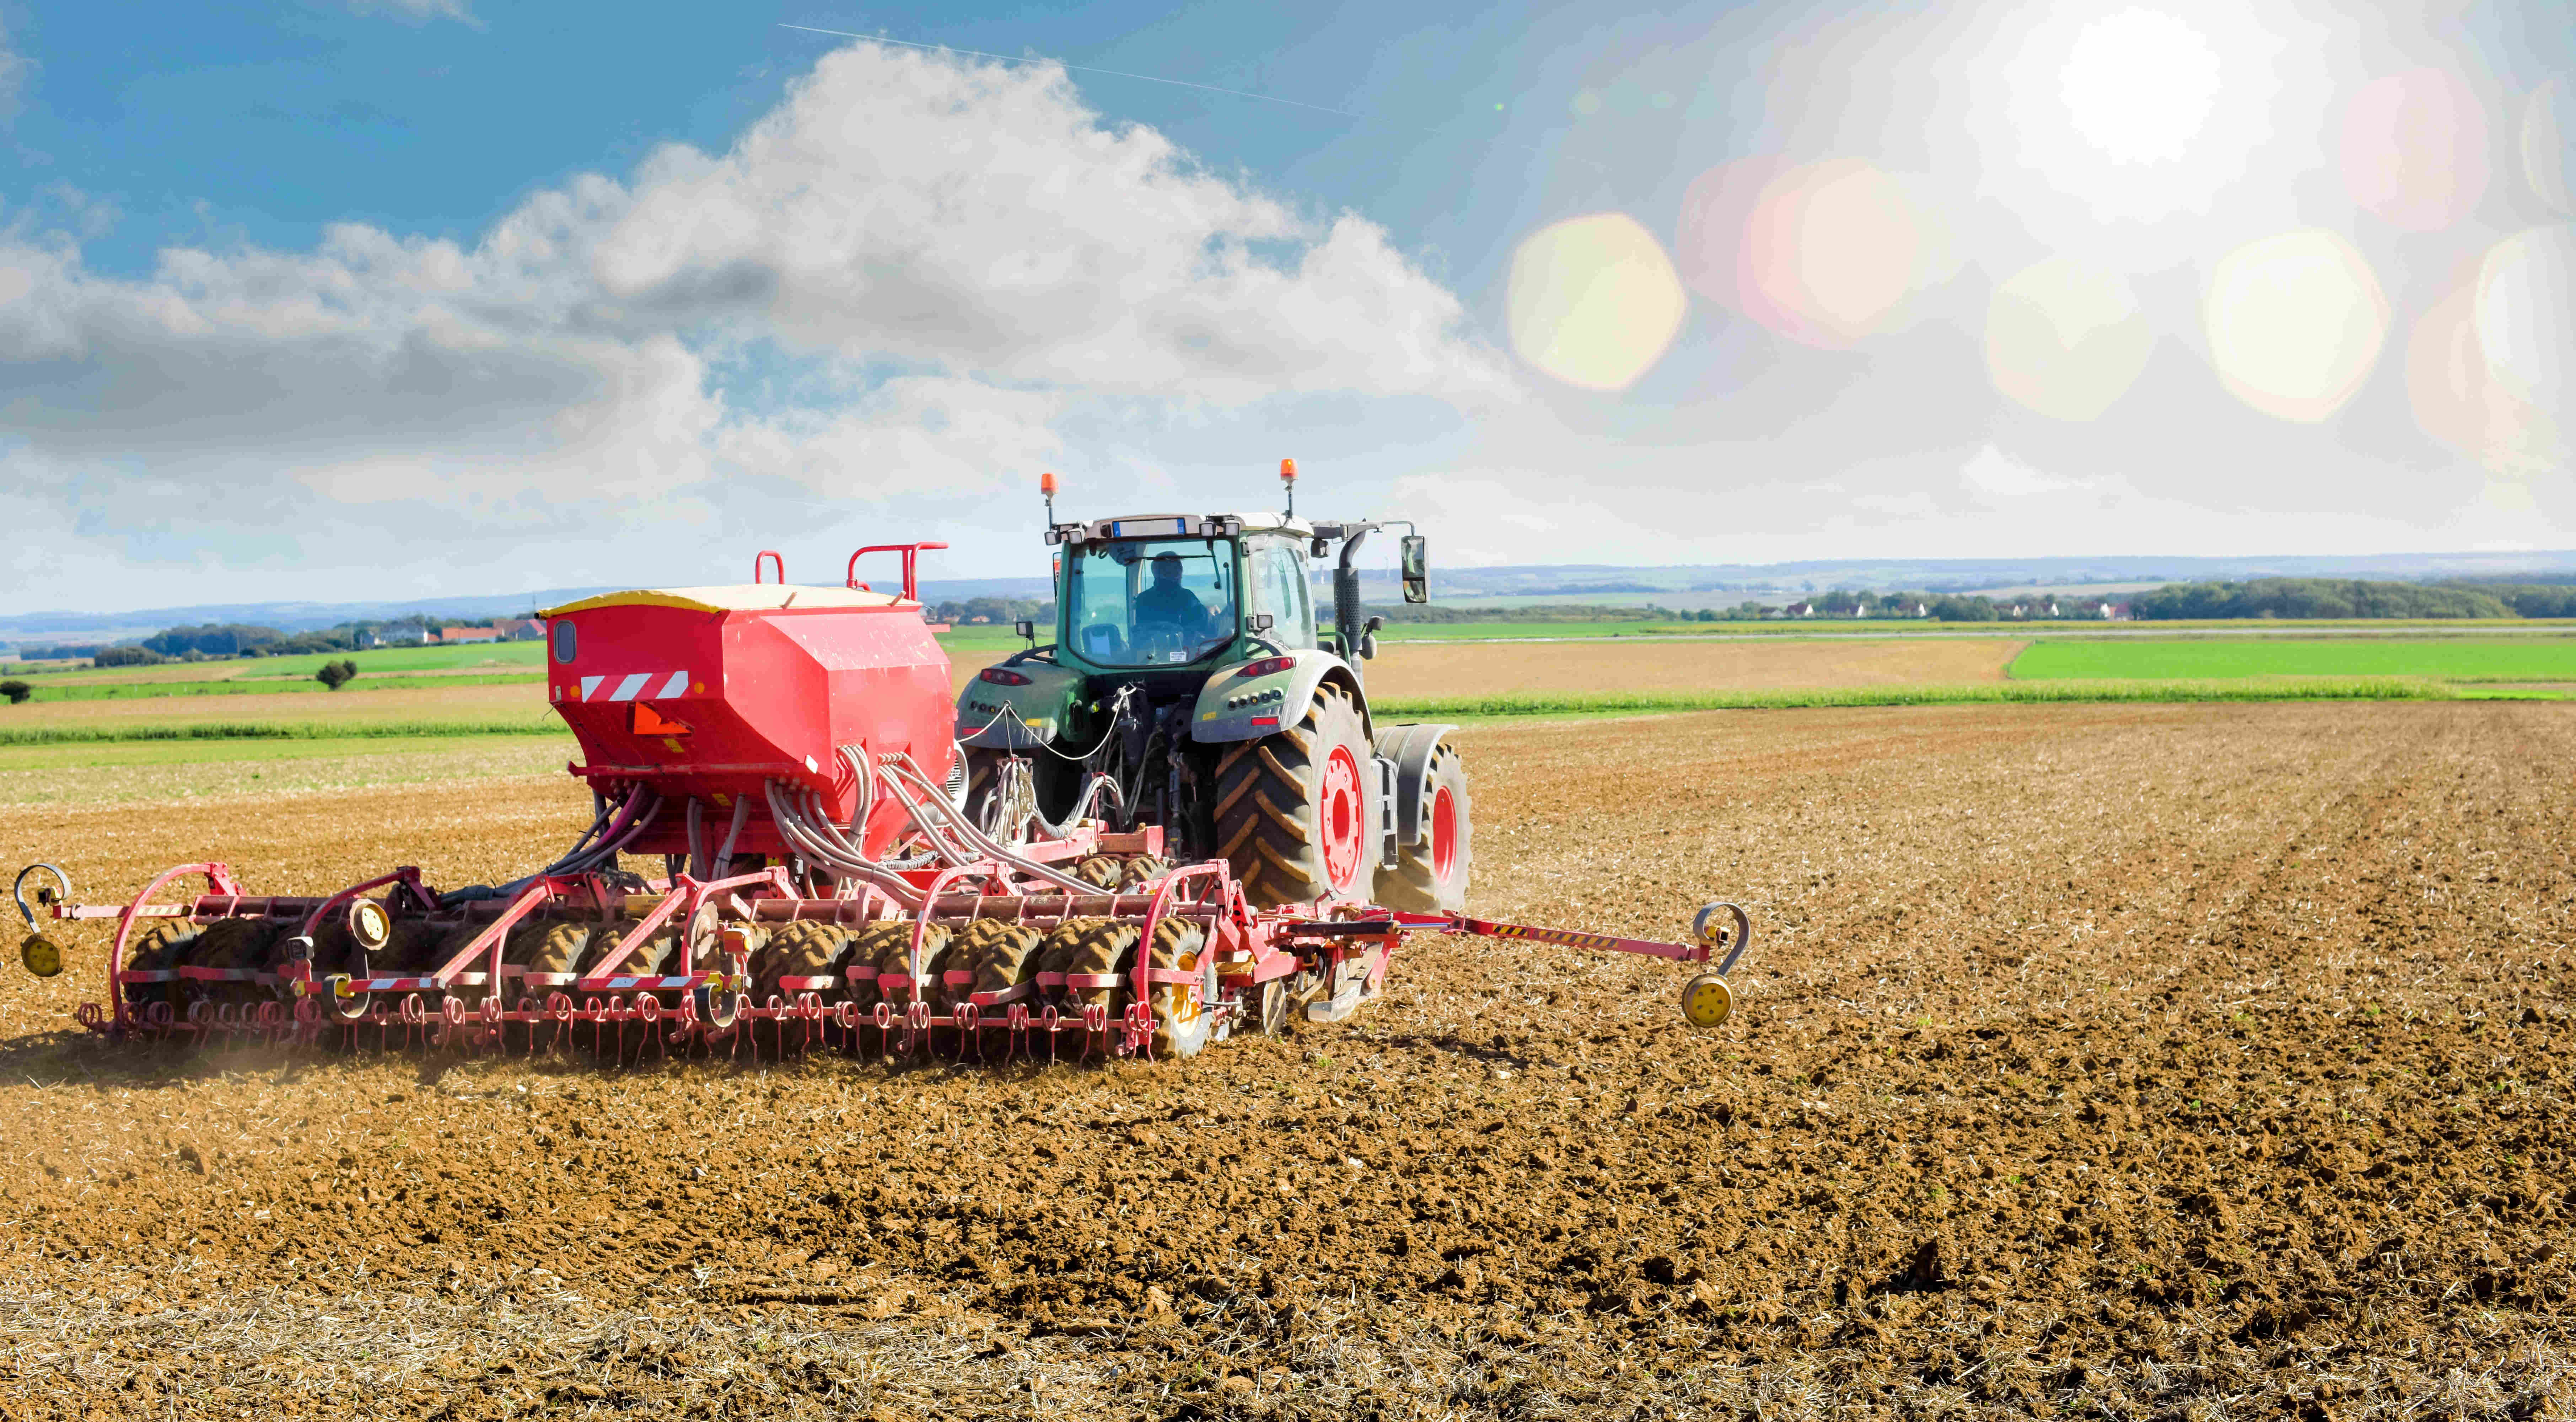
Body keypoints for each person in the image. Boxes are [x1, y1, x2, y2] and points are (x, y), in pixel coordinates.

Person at [1133, 552, 1209, 637]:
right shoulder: (1186, 598)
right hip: (1185, 649)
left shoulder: (1143, 599)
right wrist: (1211, 614)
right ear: (1178, 573)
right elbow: (1212, 630)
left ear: (1154, 572)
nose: (1182, 572)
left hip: (1151, 650)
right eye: (1181, 568)